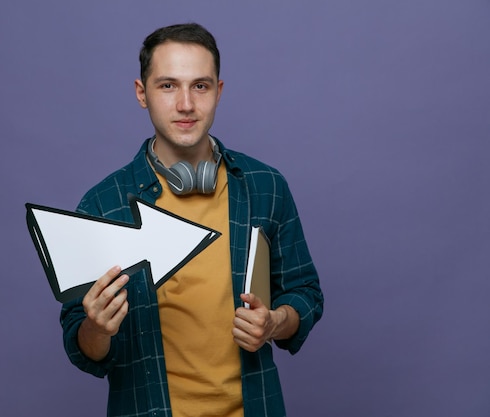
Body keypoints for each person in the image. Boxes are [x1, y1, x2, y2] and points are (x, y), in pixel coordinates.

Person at [60, 22, 324, 417]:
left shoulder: (265, 187)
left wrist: (275, 321)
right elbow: (82, 345)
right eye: (168, 86)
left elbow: (305, 293)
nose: (186, 104)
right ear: (141, 93)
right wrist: (97, 327)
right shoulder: (103, 204)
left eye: (200, 86)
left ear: (218, 92)